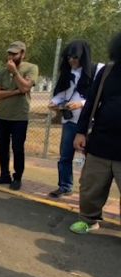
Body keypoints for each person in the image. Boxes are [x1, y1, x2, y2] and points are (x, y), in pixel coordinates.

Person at [69, 32, 121, 234]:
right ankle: (88, 220)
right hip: (101, 142)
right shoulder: (108, 71)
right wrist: (80, 132)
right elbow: (91, 103)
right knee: (91, 186)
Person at [47, 41, 103, 198]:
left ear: (83, 56)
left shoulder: (97, 70)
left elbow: (101, 97)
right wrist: (55, 103)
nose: (71, 60)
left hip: (91, 123)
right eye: (68, 57)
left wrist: (81, 104)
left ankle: (89, 192)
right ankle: (65, 186)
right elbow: (61, 94)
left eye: (75, 57)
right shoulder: (66, 73)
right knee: (65, 156)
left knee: (92, 160)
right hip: (70, 122)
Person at [0, 41, 39, 190]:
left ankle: (17, 178)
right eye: (9, 53)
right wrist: (15, 92)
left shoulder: (31, 68)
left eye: (14, 53)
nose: (11, 56)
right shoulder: (4, 71)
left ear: (22, 54)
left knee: (18, 148)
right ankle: (4, 174)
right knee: (2, 148)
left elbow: (25, 86)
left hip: (19, 117)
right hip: (2, 116)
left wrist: (15, 73)